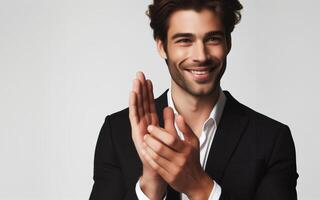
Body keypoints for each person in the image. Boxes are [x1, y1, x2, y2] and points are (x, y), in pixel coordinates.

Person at [89, 0, 298, 199]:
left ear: (228, 43)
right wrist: (150, 186)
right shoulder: (116, 132)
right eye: (185, 40)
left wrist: (200, 187)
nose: (201, 56)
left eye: (212, 39)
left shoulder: (271, 140)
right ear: (162, 46)